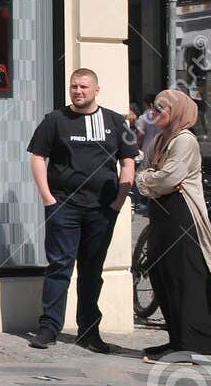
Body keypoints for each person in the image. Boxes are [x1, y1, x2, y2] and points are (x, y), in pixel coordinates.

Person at [26, 68, 134, 352]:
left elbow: (128, 162)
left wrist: (119, 201)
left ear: (96, 89)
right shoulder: (55, 120)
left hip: (102, 209)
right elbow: (38, 157)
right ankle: (49, 327)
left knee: (92, 270)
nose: (78, 91)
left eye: (84, 86)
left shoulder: (114, 121)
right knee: (59, 267)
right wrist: (47, 198)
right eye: (74, 86)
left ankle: (89, 331)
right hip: (63, 206)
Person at [135, 89, 211, 363]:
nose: (154, 112)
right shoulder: (160, 140)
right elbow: (151, 175)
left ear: (176, 113)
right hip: (162, 212)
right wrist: (151, 179)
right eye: (154, 106)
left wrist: (147, 180)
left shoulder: (184, 141)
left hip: (182, 216)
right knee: (162, 274)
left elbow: (168, 178)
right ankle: (176, 340)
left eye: (161, 108)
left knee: (183, 278)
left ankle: (190, 344)